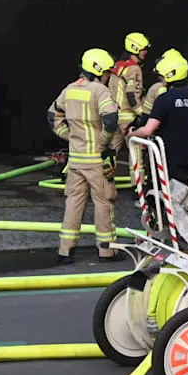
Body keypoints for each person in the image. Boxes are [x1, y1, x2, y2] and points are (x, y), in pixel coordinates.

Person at [48, 48, 125, 265]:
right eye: (107, 72)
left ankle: (65, 250)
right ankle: (106, 251)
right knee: (104, 203)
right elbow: (110, 119)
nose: (109, 76)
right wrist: (104, 142)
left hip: (76, 159)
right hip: (98, 160)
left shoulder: (69, 90)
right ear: (98, 70)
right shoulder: (100, 91)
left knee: (73, 202)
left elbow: (52, 115)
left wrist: (68, 136)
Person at [130, 51, 188, 188]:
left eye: (162, 77)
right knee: (183, 198)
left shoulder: (164, 99)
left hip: (166, 159)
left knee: (161, 198)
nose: (161, 80)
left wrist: (132, 134)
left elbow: (148, 129)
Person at [107, 32, 151, 159]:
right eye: (144, 49)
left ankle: (105, 178)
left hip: (115, 115)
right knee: (137, 157)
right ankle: (138, 179)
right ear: (135, 49)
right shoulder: (134, 68)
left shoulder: (119, 65)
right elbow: (131, 94)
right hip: (128, 118)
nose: (146, 52)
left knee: (111, 153)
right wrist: (141, 114)